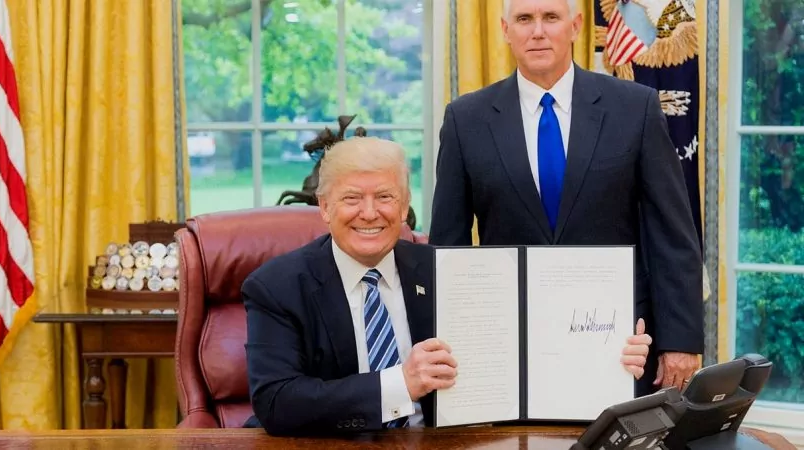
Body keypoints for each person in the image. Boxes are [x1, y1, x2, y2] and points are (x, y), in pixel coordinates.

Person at [243, 136, 654, 436]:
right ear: (325, 207)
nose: (370, 213)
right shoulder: (277, 286)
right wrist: (399, 384)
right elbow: (278, 402)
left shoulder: (451, 271)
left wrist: (606, 355)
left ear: (404, 207)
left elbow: (528, 355)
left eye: (385, 197)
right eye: (352, 198)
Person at [429, 0, 703, 395]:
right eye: (524, 19)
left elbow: (672, 233)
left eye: (550, 18)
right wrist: (453, 342)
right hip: (510, 344)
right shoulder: (465, 119)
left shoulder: (635, 107)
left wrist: (680, 340)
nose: (537, 31)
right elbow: (448, 247)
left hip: (621, 345)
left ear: (575, 26)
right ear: (506, 30)